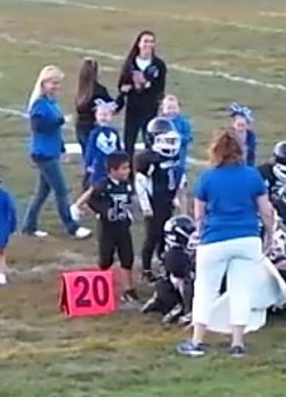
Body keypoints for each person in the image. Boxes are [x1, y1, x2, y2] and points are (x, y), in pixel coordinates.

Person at [176, 129, 277, 358]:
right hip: (247, 238)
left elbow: (199, 214)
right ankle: (237, 344)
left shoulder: (208, 177)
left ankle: (197, 341)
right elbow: (266, 210)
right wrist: (270, 235)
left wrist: (202, 234)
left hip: (215, 239)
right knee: (240, 292)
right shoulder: (252, 175)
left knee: (204, 291)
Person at [21, 65, 91, 239]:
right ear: (43, 83)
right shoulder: (39, 104)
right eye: (53, 83)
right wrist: (60, 121)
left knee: (42, 192)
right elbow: (38, 127)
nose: (56, 86)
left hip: (51, 151)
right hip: (43, 153)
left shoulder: (51, 102)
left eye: (58, 83)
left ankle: (28, 226)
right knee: (61, 190)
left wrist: (61, 148)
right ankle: (71, 227)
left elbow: (54, 130)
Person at [71, 151, 140, 306]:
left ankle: (128, 289)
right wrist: (102, 211)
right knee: (106, 259)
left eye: (128, 168)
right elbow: (91, 200)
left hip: (123, 227)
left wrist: (129, 213)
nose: (127, 171)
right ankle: (101, 286)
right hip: (107, 228)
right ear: (112, 171)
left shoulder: (127, 185)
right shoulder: (104, 185)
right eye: (123, 168)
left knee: (127, 257)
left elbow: (129, 203)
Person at [135, 116, 183, 282]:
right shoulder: (146, 159)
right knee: (152, 236)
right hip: (154, 203)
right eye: (165, 138)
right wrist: (146, 206)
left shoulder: (173, 156)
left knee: (167, 234)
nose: (170, 143)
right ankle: (146, 269)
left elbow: (177, 176)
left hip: (167, 201)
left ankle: (164, 262)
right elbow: (140, 183)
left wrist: (176, 196)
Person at [117, 30, 167, 156]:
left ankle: (147, 170)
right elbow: (121, 85)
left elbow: (161, 88)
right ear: (138, 44)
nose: (148, 45)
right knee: (129, 143)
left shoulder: (158, 65)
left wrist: (147, 85)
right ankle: (128, 172)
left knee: (149, 142)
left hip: (150, 108)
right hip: (133, 108)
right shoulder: (130, 63)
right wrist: (128, 88)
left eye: (151, 42)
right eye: (145, 41)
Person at [73, 57, 119, 150]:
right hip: (93, 128)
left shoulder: (81, 89)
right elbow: (113, 107)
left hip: (80, 127)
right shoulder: (99, 91)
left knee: (86, 156)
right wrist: (122, 96)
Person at [82, 100, 123, 190]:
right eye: (100, 114)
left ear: (111, 116)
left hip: (112, 163)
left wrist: (122, 160)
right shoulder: (94, 133)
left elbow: (118, 147)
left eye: (106, 115)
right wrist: (88, 164)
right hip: (99, 164)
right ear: (96, 116)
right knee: (97, 185)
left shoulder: (114, 132)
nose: (103, 117)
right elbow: (90, 149)